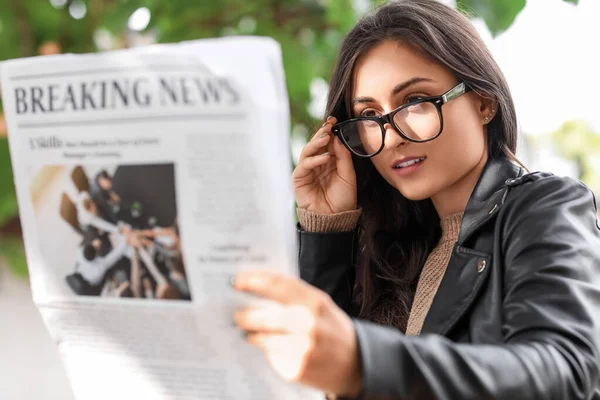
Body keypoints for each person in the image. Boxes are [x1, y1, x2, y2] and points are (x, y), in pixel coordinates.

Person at [231, 1, 600, 399]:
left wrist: (363, 361)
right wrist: (328, 229)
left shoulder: (545, 206)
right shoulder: (393, 244)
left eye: (415, 101)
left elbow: (566, 369)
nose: (391, 134)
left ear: (484, 102)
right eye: (370, 114)